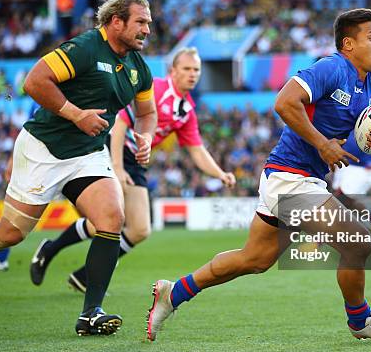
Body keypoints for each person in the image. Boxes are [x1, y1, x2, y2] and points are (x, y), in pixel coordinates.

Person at [146, 8, 371, 342]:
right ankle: (361, 321)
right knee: (357, 242)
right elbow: (285, 102)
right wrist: (322, 144)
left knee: (254, 259)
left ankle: (173, 293)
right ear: (348, 44)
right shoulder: (332, 67)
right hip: (289, 176)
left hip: (297, 178)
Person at [0, 0, 158, 337]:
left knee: (112, 218)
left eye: (148, 23)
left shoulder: (137, 68)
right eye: (140, 22)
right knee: (10, 234)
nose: (147, 29)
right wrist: (76, 114)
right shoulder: (84, 47)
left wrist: (143, 137)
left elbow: (147, 113)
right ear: (115, 22)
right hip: (44, 150)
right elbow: (34, 82)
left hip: (88, 154)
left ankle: (91, 313)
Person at [29, 47, 236, 293]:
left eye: (196, 70)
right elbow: (122, 124)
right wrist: (116, 166)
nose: (192, 74)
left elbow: (196, 149)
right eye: (187, 69)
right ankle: (58, 255)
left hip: (136, 159)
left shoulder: (187, 109)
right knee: (107, 221)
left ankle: (81, 274)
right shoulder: (156, 90)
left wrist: (220, 174)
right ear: (173, 71)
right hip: (113, 147)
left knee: (139, 229)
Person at [0, 102, 41, 273]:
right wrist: (15, 159)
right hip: (40, 164)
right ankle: (1, 259)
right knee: (13, 219)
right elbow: (29, 130)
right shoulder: (38, 98)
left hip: (70, 161)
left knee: (96, 217)